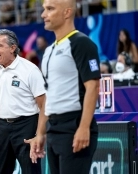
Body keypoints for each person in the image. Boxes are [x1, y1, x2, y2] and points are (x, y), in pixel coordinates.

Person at [24, 0, 100, 174]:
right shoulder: (49, 50)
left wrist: (83, 127)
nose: (43, 15)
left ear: (67, 12)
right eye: (44, 9)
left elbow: (93, 87)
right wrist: (41, 133)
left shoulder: (82, 43)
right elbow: (49, 96)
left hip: (74, 125)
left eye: (49, 9)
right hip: (54, 128)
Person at [0, 29, 46, 174]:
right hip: (1, 126)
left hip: (27, 125)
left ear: (13, 48)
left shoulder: (30, 70)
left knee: (31, 170)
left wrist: (39, 135)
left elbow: (44, 105)